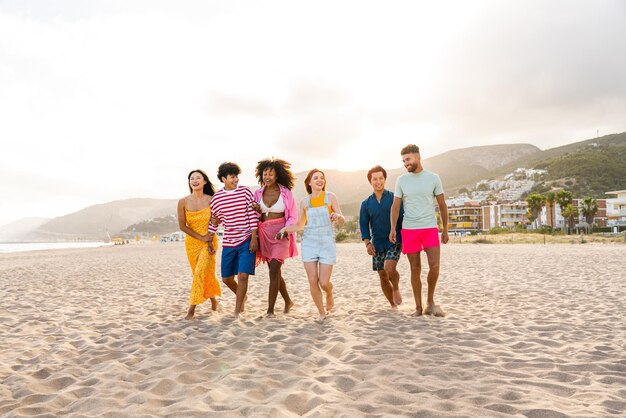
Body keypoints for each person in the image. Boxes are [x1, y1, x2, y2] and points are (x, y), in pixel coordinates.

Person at [390, 144, 449, 317]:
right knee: (415, 268)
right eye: (403, 161)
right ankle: (418, 307)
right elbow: (395, 207)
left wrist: (445, 229)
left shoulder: (433, 178)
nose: (405, 163)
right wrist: (393, 228)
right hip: (409, 230)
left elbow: (442, 205)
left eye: (408, 159)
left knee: (435, 267)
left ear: (418, 157)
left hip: (430, 228)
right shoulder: (401, 180)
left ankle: (430, 302)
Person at [279, 169, 344, 321]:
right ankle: (321, 312)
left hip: (326, 242)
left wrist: (337, 216)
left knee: (324, 282)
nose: (320, 180)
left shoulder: (330, 197)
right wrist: (285, 229)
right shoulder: (304, 202)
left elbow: (342, 219)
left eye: (322, 178)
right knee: (312, 279)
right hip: (309, 243)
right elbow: (299, 225)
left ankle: (329, 292)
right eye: (316, 178)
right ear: (309, 182)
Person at [207, 162, 259, 318]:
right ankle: (242, 296)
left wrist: (254, 237)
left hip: (246, 239)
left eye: (236, 176)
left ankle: (237, 311)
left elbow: (252, 216)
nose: (236, 180)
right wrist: (210, 240)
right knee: (227, 278)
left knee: (243, 276)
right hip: (229, 241)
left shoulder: (245, 192)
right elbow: (214, 221)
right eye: (232, 177)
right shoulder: (216, 199)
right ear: (223, 179)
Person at [252, 158, 297, 317]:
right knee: (275, 272)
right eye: (265, 173)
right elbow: (255, 216)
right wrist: (257, 210)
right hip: (264, 233)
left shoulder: (286, 192)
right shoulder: (257, 193)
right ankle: (288, 301)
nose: (267, 176)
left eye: (271, 173)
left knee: (274, 270)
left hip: (281, 234)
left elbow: (292, 216)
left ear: (277, 175)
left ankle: (270, 311)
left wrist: (285, 229)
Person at [177, 169, 221, 320]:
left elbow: (219, 218)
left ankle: (191, 309)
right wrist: (199, 237)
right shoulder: (183, 202)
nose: (194, 180)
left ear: (205, 182)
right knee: (203, 273)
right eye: (192, 179)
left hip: (209, 240)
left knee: (199, 273)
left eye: (198, 178)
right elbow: (182, 226)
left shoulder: (212, 199)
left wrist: (208, 235)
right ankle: (214, 300)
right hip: (192, 243)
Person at [359, 165, 404, 310]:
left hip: (394, 240)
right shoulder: (366, 204)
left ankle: (396, 287)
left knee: (389, 267)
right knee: (382, 275)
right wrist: (367, 244)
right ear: (370, 181)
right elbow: (364, 225)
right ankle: (392, 304)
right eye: (374, 179)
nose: (378, 182)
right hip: (377, 243)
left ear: (385, 179)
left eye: (381, 178)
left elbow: (402, 218)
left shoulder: (394, 198)